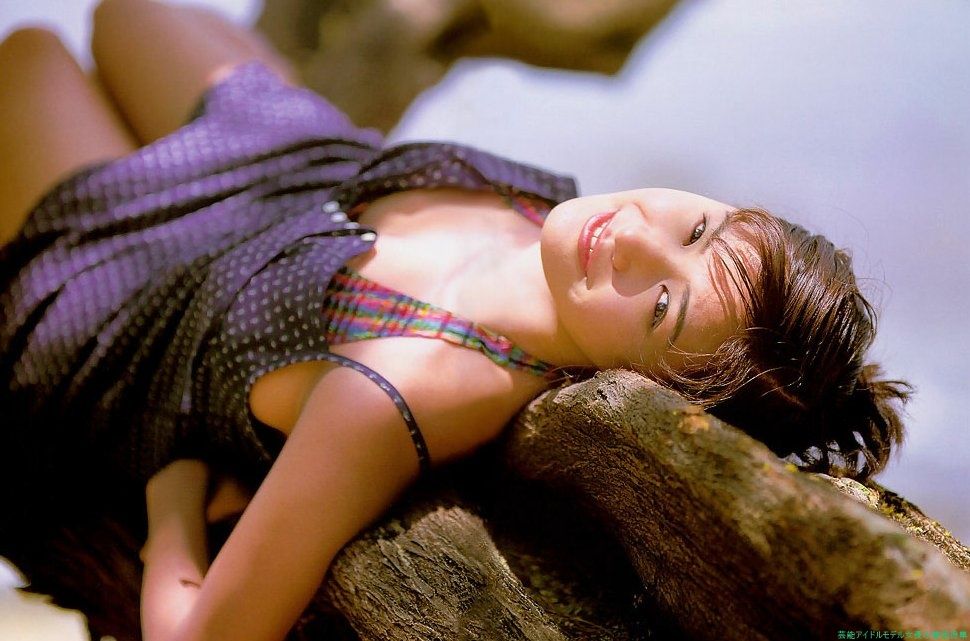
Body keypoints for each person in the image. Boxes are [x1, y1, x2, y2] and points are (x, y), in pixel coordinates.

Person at [0, 0, 911, 640]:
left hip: (131, 285)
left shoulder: (402, 389)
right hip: (283, 166)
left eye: (661, 304)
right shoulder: (566, 247)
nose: (635, 236)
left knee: (31, 51)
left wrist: (169, 497)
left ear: (644, 380)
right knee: (124, 10)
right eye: (699, 228)